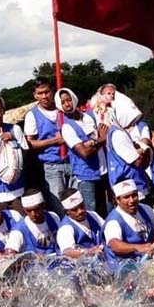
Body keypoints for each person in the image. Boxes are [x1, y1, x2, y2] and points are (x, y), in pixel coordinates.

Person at [58, 87, 108, 216]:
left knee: (108, 209)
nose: (67, 104)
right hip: (86, 176)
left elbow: (106, 130)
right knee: (92, 213)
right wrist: (101, 140)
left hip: (104, 171)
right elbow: (84, 152)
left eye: (69, 100)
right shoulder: (67, 127)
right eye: (63, 102)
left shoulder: (90, 116)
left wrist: (93, 143)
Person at [24, 78, 70, 215]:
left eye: (47, 92)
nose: (44, 96)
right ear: (35, 95)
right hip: (51, 165)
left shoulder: (62, 109)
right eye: (40, 93)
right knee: (59, 205)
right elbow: (30, 143)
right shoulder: (32, 115)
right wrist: (54, 141)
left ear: (53, 91)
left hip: (73, 162)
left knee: (75, 201)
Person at [103, 179, 154, 268]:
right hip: (124, 268)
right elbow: (115, 245)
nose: (132, 200)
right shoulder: (113, 221)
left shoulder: (144, 209)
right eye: (126, 197)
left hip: (146, 262)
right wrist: (137, 247)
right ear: (117, 200)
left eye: (134, 195)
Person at [105, 96, 154, 200]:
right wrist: (144, 149)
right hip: (131, 188)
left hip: (131, 185)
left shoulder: (118, 131)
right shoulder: (118, 134)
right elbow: (137, 162)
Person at [5, 189, 61, 255]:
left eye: (36, 209)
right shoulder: (18, 230)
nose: (33, 214)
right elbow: (9, 255)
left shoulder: (53, 217)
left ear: (43, 205)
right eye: (28, 210)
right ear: (24, 210)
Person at [56, 188, 106, 258]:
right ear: (67, 211)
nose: (80, 211)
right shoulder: (65, 229)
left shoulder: (93, 215)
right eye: (74, 209)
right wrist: (89, 252)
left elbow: (108, 229)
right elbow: (67, 253)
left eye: (82, 206)